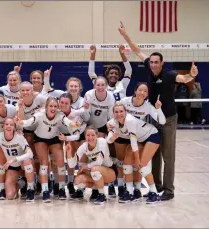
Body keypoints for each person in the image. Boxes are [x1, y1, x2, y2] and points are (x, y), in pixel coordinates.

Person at [118, 21, 199, 201]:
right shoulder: (148, 66)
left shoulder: (169, 75)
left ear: (162, 63)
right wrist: (125, 35)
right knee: (154, 154)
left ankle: (169, 191)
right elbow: (137, 50)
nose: (153, 64)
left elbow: (183, 77)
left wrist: (192, 75)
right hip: (153, 120)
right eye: (152, 62)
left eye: (156, 62)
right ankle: (157, 187)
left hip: (168, 119)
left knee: (168, 156)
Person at [16, 97, 79, 202]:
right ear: (46, 107)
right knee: (44, 163)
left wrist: (75, 124)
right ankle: (45, 191)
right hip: (40, 138)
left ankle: (62, 188)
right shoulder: (40, 114)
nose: (53, 108)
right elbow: (28, 122)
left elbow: (68, 122)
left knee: (60, 162)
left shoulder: (60, 115)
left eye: (55, 106)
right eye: (51, 106)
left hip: (54, 139)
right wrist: (20, 122)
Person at [107, 102, 162, 204]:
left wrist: (137, 159)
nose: (119, 114)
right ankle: (130, 192)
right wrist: (112, 137)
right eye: (116, 112)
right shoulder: (113, 122)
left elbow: (133, 142)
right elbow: (109, 140)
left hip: (151, 136)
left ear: (126, 112)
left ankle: (154, 193)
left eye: (121, 111)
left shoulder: (130, 121)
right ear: (113, 113)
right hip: (140, 139)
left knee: (142, 165)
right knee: (126, 164)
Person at [0, 118, 35, 201]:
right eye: (7, 124)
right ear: (3, 126)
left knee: (27, 162)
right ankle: (20, 184)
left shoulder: (19, 136)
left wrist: (14, 159)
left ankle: (30, 189)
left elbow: (30, 154)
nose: (9, 126)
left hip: (23, 164)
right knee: (9, 196)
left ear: (15, 127)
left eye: (11, 125)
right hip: (13, 167)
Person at [66, 127, 116, 205]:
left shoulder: (102, 141)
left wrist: (84, 167)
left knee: (94, 169)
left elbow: (99, 162)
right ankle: (96, 188)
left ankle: (102, 195)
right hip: (96, 171)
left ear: (97, 135)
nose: (90, 137)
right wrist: (68, 152)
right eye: (88, 135)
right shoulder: (84, 146)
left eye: (92, 135)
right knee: (78, 181)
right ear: (85, 136)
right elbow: (71, 164)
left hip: (110, 171)